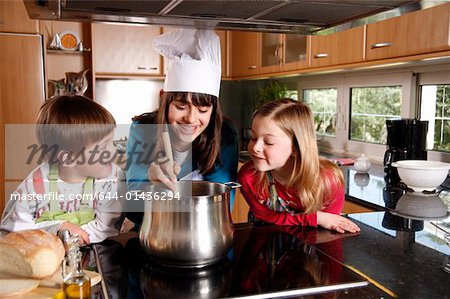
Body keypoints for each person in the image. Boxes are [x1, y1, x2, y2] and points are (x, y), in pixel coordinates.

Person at [125, 29, 238, 227]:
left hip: (206, 235)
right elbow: (133, 212)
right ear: (163, 99)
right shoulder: (143, 129)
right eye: (181, 106)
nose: (191, 119)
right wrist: (150, 182)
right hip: (156, 235)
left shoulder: (224, 134)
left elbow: (221, 206)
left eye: (203, 109)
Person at [1, 95, 125, 245]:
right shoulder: (36, 184)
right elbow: (11, 230)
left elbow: (106, 227)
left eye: (111, 141)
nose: (113, 151)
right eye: (104, 147)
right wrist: (58, 229)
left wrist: (72, 237)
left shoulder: (111, 178)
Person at [238, 98, 360, 233]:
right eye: (253, 137)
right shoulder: (248, 176)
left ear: (296, 148)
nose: (256, 147)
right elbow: (265, 216)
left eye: (269, 142)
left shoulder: (328, 181)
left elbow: (330, 229)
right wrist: (314, 218)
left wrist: (317, 219)